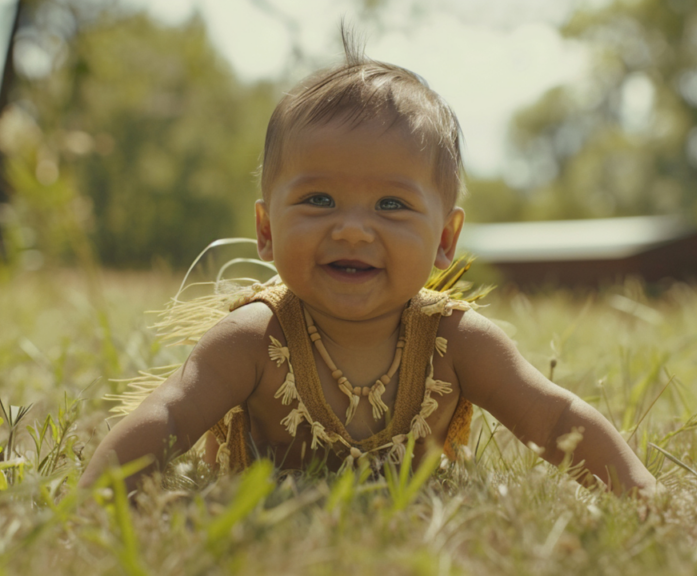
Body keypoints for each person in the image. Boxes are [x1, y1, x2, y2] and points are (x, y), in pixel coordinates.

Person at [80, 33, 657, 497]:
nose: (353, 229)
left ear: (444, 240)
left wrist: (640, 496)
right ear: (265, 230)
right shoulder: (252, 339)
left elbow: (556, 422)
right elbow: (170, 415)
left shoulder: (458, 343)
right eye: (319, 200)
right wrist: (93, 503)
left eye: (391, 205)